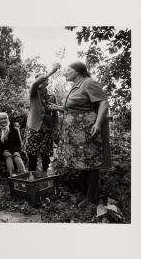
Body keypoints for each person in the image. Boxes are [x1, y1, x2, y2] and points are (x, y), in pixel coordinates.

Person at [49, 61, 111, 207]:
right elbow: (74, 109)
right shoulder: (76, 85)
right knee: (83, 162)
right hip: (77, 133)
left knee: (91, 162)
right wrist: (58, 108)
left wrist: (97, 124)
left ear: (77, 71)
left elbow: (103, 103)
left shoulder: (89, 83)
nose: (65, 73)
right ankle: (86, 194)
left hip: (88, 129)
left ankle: (91, 198)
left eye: (68, 70)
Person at [24, 63, 61, 174]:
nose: (43, 80)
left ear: (47, 82)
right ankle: (31, 179)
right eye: (40, 79)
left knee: (46, 157)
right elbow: (35, 83)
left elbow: (55, 114)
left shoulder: (52, 96)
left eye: (45, 79)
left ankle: (45, 179)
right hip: (34, 129)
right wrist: (52, 71)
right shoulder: (34, 93)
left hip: (47, 130)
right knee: (32, 156)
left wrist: (56, 128)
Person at [0, 112, 26, 177]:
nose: (3, 120)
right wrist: (4, 151)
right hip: (1, 151)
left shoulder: (12, 129)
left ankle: (24, 174)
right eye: (1, 119)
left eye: (5, 118)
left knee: (16, 154)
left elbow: (17, 143)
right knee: (8, 155)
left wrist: (14, 150)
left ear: (7, 119)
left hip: (13, 149)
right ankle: (12, 175)